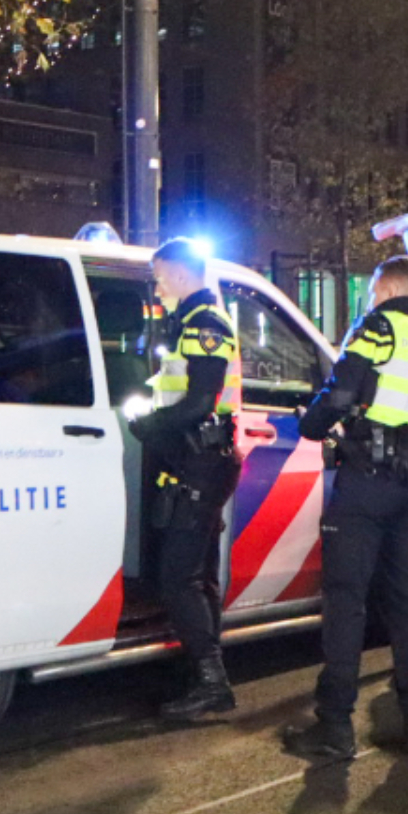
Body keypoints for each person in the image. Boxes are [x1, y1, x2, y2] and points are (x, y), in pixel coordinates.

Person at [283, 256, 408, 761]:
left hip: (367, 482)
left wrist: (313, 424)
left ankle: (335, 728)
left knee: (347, 600)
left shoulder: (377, 328)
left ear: (386, 291)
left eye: (371, 295)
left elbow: (341, 391)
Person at [129, 238, 244, 721]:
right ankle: (205, 674)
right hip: (199, 459)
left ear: (178, 272)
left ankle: (212, 684)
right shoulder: (190, 323)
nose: (157, 284)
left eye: (159, 275)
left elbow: (200, 401)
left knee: (179, 576)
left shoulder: (205, 324)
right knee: (199, 575)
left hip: (201, 460)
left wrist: (148, 425)